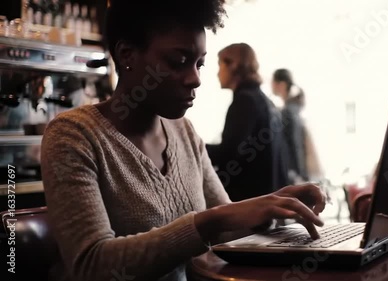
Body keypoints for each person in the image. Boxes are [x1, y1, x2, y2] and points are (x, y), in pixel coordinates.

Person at [39, 1, 326, 281]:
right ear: (127, 55)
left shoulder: (184, 132)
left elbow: (228, 231)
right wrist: (211, 221)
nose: (196, 79)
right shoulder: (74, 136)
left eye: (200, 63)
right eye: (179, 61)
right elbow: (92, 265)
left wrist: (271, 207)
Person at [206, 43, 289, 202]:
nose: (218, 73)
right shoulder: (264, 100)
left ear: (234, 66)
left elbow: (229, 154)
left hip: (250, 205)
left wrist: (195, 147)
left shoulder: (245, 100)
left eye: (220, 65)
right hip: (268, 201)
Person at [271, 68, 323, 184]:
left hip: (295, 174)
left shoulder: (288, 112)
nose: (271, 86)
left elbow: (295, 146)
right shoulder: (294, 109)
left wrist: (298, 175)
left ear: (282, 85)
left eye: (273, 83)